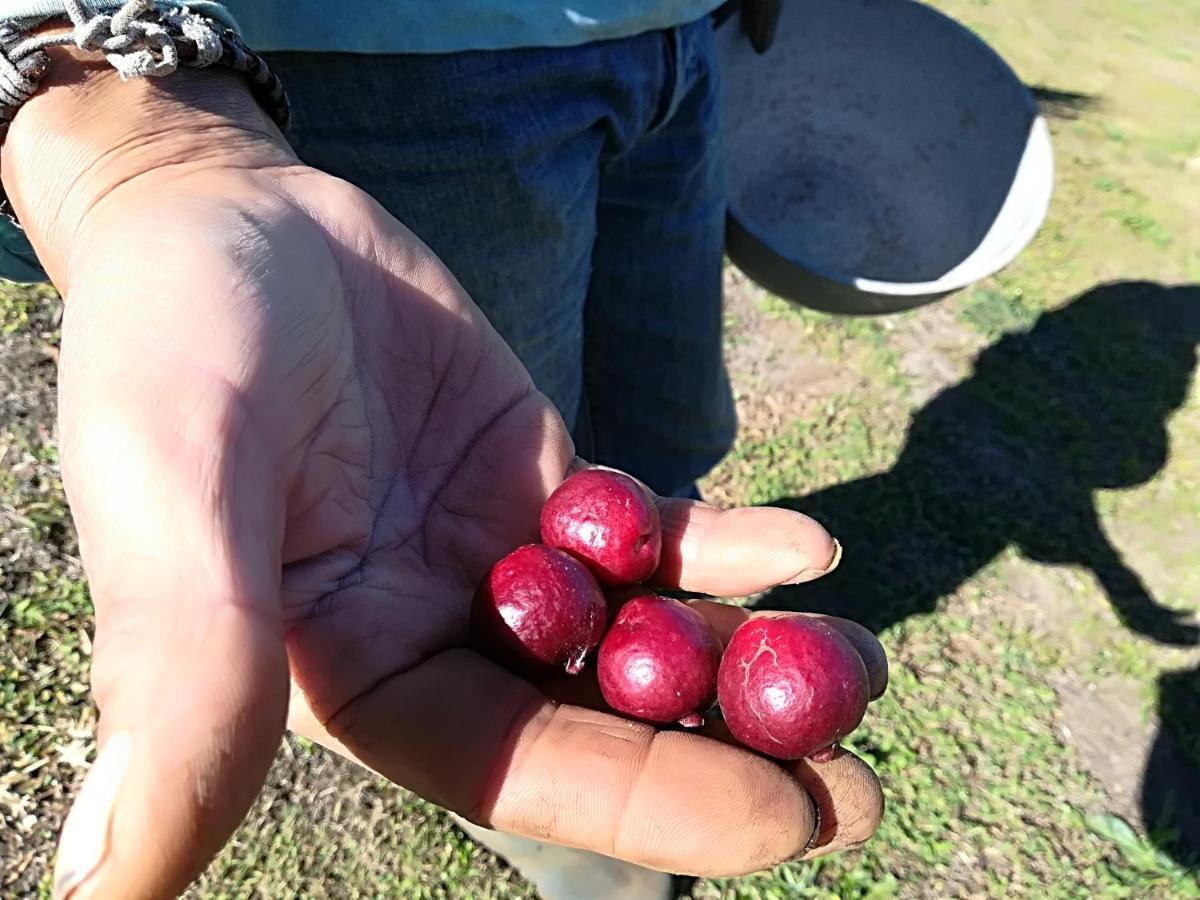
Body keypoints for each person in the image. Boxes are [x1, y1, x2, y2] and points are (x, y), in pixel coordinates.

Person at [0, 2, 886, 897]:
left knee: (661, 437)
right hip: (405, 64)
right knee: (476, 489)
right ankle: (556, 824)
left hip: (674, 32)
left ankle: (644, 684)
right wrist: (123, 132)